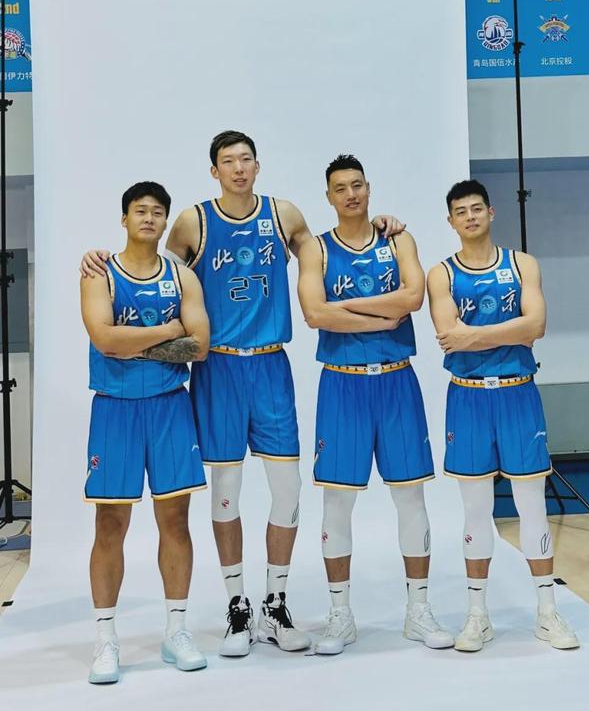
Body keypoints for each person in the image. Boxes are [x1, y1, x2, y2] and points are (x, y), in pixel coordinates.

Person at [80, 131, 404, 657]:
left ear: (257, 165)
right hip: (219, 368)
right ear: (214, 171)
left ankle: (275, 604)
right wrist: (102, 260)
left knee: (288, 490)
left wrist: (382, 224)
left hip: (271, 363)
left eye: (245, 159)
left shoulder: (284, 214)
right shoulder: (193, 221)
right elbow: (155, 273)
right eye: (227, 161)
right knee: (225, 491)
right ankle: (237, 606)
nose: (238, 168)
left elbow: (329, 250)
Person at [297, 154, 453, 655]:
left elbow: (412, 298)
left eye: (358, 185)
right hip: (342, 385)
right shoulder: (316, 249)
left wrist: (342, 307)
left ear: (369, 188)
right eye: (341, 188)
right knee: (337, 501)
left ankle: (418, 609)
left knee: (411, 496)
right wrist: (375, 317)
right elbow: (313, 313)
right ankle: (340, 614)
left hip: (395, 380)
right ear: (329, 197)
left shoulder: (398, 239)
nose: (351, 194)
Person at [426, 179, 579, 652]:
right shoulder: (441, 274)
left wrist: (473, 336)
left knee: (532, 504)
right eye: (461, 211)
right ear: (450, 221)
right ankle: (477, 616)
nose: (470, 217)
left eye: (477, 208)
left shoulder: (522, 264)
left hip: (517, 393)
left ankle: (547, 612)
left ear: (491, 212)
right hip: (468, 397)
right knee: (476, 509)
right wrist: (509, 332)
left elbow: (537, 325)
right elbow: (447, 334)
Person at [81, 181, 210, 684]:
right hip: (114, 409)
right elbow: (105, 339)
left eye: (158, 212)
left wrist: (135, 342)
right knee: (110, 523)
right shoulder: (100, 273)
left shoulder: (181, 276)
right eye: (140, 211)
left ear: (165, 220)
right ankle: (105, 638)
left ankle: (176, 631)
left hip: (169, 407)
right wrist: (168, 330)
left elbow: (199, 346)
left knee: (175, 520)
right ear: (124, 218)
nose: (149, 218)